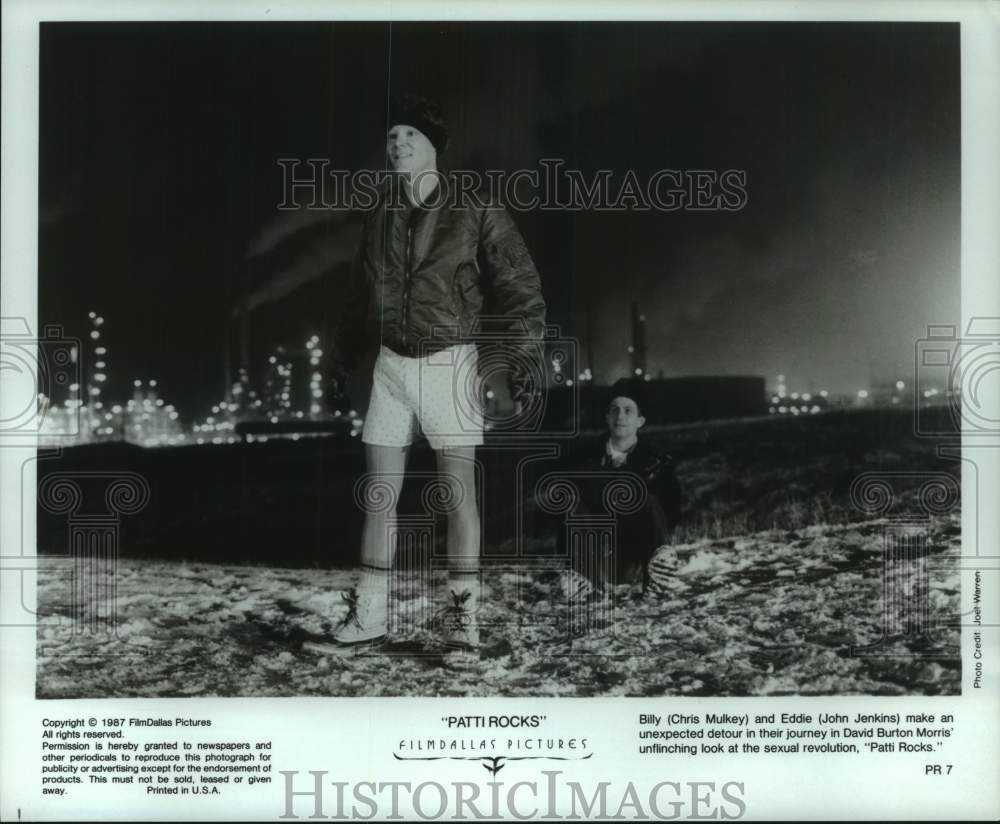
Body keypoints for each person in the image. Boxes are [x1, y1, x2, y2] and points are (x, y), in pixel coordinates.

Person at [327, 94, 546, 651]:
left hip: (449, 363)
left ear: (434, 147)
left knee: (457, 498)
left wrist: (523, 359)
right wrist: (339, 358)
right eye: (392, 136)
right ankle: (369, 616)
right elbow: (358, 295)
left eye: (411, 135)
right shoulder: (379, 211)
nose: (397, 143)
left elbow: (521, 286)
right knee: (379, 497)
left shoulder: (475, 205)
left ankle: (461, 623)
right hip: (391, 368)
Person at [556, 377, 683, 599]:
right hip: (595, 550)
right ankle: (580, 581)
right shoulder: (583, 458)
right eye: (614, 410)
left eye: (628, 410)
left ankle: (657, 579)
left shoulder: (657, 462)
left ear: (640, 421)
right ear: (607, 417)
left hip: (635, 550)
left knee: (650, 501)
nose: (620, 416)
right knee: (573, 501)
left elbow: (672, 510)